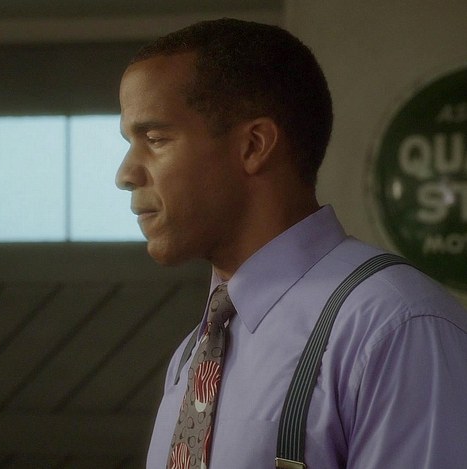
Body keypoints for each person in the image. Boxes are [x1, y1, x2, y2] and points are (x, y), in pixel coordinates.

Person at [115, 18, 467, 469]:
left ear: (254, 145)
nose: (125, 174)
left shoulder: (395, 327)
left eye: (155, 139)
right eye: (131, 142)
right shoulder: (195, 354)